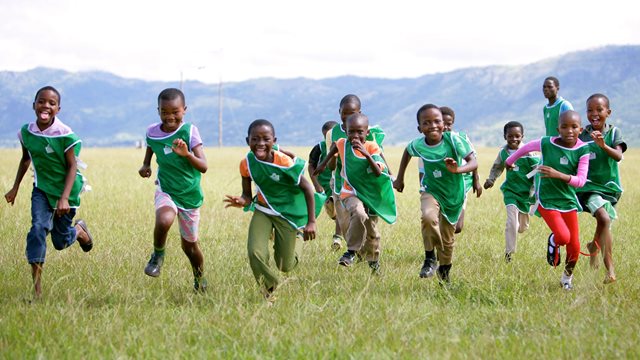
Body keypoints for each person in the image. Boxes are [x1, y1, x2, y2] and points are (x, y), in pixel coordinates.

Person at [4, 86, 93, 299]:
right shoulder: (27, 132)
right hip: (41, 190)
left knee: (60, 242)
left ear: (58, 109)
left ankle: (79, 231)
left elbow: (73, 166)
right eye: (41, 101)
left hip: (66, 193)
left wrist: (64, 198)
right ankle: (37, 292)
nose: (46, 106)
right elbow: (26, 159)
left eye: (51, 103)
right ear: (34, 105)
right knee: (37, 229)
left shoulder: (65, 134)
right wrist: (15, 187)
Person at [224, 119, 320, 301]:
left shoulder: (283, 162)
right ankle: (269, 289)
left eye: (265, 139)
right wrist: (242, 200)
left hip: (287, 214)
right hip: (264, 210)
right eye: (255, 139)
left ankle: (297, 236)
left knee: (285, 265)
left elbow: (308, 189)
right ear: (248, 141)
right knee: (255, 252)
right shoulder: (247, 164)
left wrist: (311, 222)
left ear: (273, 141)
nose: (260, 143)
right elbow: (246, 194)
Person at [506, 110, 589, 290]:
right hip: (546, 200)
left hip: (568, 201)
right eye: (564, 127)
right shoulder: (546, 143)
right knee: (563, 236)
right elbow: (525, 148)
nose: (569, 131)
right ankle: (555, 240)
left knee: (574, 247)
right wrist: (509, 161)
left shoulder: (583, 149)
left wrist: (557, 174)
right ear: (558, 128)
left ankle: (566, 279)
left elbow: (581, 181)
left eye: (574, 127)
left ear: (580, 129)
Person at [393, 104, 477, 283]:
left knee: (448, 240)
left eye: (437, 121)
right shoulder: (418, 144)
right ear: (420, 128)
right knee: (428, 217)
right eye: (427, 122)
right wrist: (400, 178)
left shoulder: (453, 140)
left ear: (444, 123)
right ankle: (430, 257)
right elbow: (407, 152)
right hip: (430, 190)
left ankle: (444, 272)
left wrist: (457, 169)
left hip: (453, 194)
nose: (433, 126)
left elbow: (473, 161)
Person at [138, 88, 208, 292]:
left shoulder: (190, 131)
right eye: (164, 112)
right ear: (158, 110)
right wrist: (146, 164)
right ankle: (158, 255)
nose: (169, 117)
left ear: (184, 110)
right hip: (166, 188)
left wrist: (187, 154)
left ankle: (199, 278)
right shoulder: (152, 131)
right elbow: (152, 145)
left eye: (175, 112)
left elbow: (203, 166)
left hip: (189, 195)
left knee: (190, 246)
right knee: (164, 219)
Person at [314, 113, 396, 273]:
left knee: (372, 231)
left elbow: (378, 172)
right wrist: (322, 165)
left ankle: (373, 262)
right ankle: (351, 252)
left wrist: (366, 154)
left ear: (367, 132)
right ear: (345, 130)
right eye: (351, 132)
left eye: (360, 132)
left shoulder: (372, 147)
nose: (355, 136)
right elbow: (334, 148)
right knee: (359, 214)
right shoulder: (342, 143)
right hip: (350, 191)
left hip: (370, 194)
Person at [324, 95, 387, 250]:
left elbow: (378, 154)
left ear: (360, 112)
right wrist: (334, 152)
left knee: (367, 220)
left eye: (352, 112)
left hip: (366, 183)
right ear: (339, 112)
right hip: (341, 183)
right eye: (344, 113)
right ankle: (356, 251)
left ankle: (367, 254)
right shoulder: (333, 134)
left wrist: (390, 175)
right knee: (346, 223)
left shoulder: (367, 130)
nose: (347, 117)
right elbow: (331, 164)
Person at [577, 94, 626, 284]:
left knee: (604, 224)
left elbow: (618, 156)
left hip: (610, 189)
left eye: (599, 110)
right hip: (589, 188)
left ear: (608, 112)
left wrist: (603, 145)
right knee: (604, 218)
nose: (594, 114)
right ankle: (610, 270)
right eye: (590, 110)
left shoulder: (614, 133)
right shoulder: (582, 134)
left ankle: (593, 247)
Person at [483, 121, 540, 262]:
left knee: (522, 228)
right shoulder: (503, 153)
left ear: (522, 136)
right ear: (505, 136)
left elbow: (538, 171)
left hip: (526, 194)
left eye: (517, 136)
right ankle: (509, 253)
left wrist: (535, 188)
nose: (513, 139)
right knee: (511, 223)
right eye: (510, 136)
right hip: (511, 192)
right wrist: (491, 180)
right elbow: (497, 167)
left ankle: (521, 224)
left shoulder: (529, 153)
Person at [441, 106, 481, 233]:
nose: (446, 127)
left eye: (449, 124)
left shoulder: (460, 138)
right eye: (443, 123)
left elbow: (473, 159)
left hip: (461, 183)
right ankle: (442, 248)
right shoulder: (432, 142)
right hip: (441, 183)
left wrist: (476, 181)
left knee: (457, 227)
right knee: (441, 219)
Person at [308, 120, 343, 250]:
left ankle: (337, 238)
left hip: (340, 184)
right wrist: (316, 185)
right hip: (325, 187)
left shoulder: (344, 145)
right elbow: (311, 166)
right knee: (334, 214)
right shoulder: (320, 148)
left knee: (341, 210)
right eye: (326, 136)